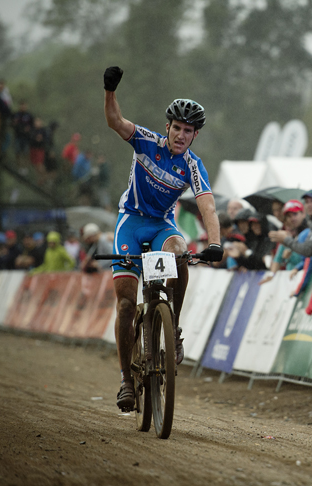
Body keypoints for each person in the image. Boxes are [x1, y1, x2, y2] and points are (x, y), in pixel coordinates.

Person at [103, 66, 223, 412]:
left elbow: (208, 206)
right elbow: (116, 122)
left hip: (161, 227)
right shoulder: (145, 140)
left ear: (194, 135)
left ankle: (174, 327)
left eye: (188, 131)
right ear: (166, 127)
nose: (181, 135)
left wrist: (214, 245)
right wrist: (110, 91)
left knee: (181, 253)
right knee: (126, 304)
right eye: (177, 128)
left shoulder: (193, 165)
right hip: (131, 223)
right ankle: (127, 379)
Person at [11, 101, 34, 166]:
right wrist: (14, 124)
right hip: (18, 135)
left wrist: (29, 128)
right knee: (17, 151)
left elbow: (32, 125)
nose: (23, 107)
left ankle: (25, 165)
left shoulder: (29, 115)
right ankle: (19, 165)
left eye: (24, 106)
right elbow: (11, 124)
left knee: (26, 152)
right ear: (20, 106)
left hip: (26, 136)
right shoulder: (16, 115)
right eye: (22, 106)